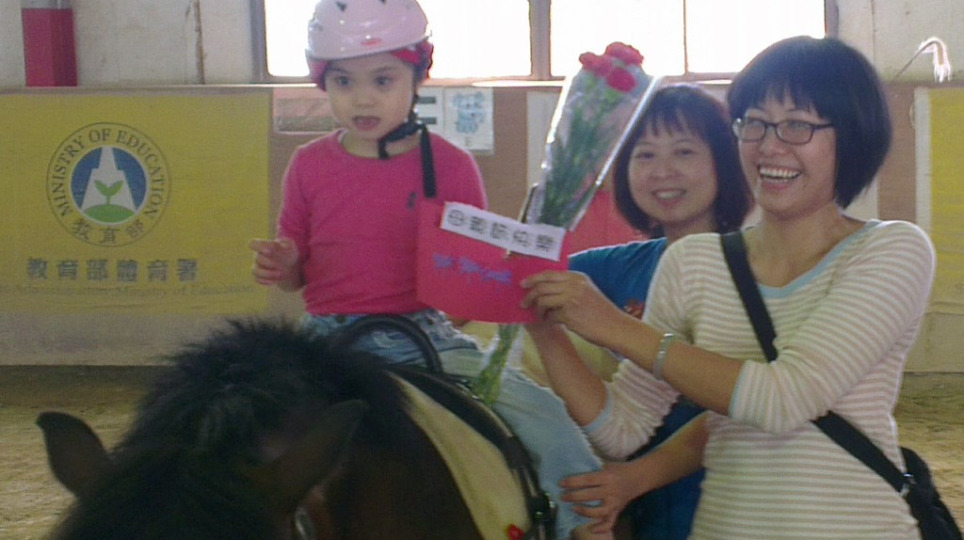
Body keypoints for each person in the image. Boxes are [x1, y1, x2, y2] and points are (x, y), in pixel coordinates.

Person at [522, 36, 934, 539]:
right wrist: (543, 328)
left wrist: (612, 328)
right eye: (754, 123)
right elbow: (622, 429)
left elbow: (784, 399)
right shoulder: (693, 262)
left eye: (797, 125)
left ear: (851, 137)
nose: (769, 146)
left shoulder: (890, 250)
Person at [249, 1, 606, 537]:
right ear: (323, 82)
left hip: (425, 338)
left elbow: (473, 271)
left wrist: (514, 273)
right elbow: (295, 274)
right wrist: (285, 262)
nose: (362, 98)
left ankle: (586, 523)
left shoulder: (452, 166)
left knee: (547, 419)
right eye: (343, 81)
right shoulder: (308, 165)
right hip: (323, 344)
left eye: (383, 79)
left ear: (417, 77)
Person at [532, 83, 752, 540]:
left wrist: (636, 478)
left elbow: (748, 409)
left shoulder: (759, 269)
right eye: (644, 155)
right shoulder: (614, 267)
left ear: (725, 162)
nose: (661, 172)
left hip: (735, 507)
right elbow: (525, 277)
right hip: (641, 515)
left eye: (684, 152)